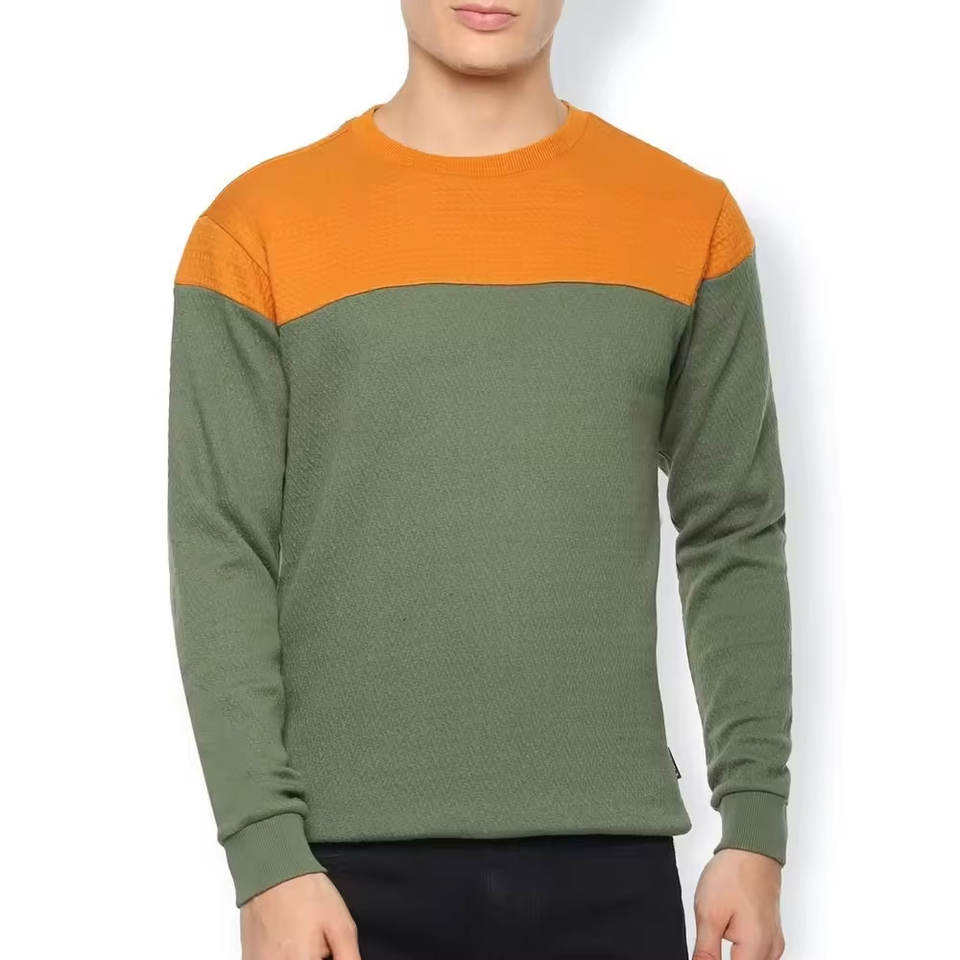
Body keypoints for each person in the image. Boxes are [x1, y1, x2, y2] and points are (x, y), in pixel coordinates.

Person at [168, 2, 792, 957]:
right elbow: (221, 544)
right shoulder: (257, 228)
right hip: (334, 879)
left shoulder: (687, 220)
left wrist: (753, 827)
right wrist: (265, 856)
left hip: (610, 867)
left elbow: (733, 526)